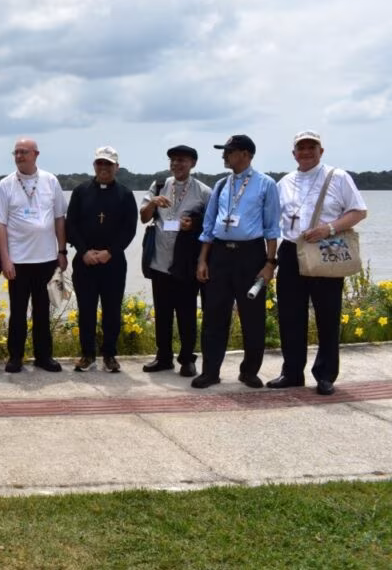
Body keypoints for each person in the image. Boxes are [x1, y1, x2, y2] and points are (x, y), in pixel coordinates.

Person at [269, 130, 367, 395]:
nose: (306, 152)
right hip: (292, 250)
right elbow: (274, 221)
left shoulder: (338, 177)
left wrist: (330, 229)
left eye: (312, 147)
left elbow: (359, 211)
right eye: (301, 148)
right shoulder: (284, 182)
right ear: (294, 153)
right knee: (290, 315)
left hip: (325, 247)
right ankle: (291, 372)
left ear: (321, 151)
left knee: (327, 314)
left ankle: (325, 375)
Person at [193, 135, 281, 389]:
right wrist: (202, 260)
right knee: (213, 315)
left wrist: (269, 263)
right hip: (220, 255)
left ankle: (249, 371)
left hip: (251, 255)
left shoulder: (266, 184)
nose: (224, 156)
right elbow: (208, 226)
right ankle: (210, 371)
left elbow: (272, 228)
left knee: (252, 317)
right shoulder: (221, 185)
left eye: (229, 151)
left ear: (245, 154)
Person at [0, 138, 68, 373]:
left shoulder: (50, 181)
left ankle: (44, 357)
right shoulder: (6, 185)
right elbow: (0, 225)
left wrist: (62, 251)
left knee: (43, 312)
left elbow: (59, 218)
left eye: (24, 152)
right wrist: (5, 259)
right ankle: (15, 357)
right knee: (18, 312)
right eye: (16, 152)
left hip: (46, 260)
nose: (19, 156)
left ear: (36, 154)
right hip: (18, 261)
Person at [139, 145, 212, 377]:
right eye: (172, 160)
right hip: (160, 261)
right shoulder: (159, 185)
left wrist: (194, 225)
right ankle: (163, 357)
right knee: (162, 313)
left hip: (186, 263)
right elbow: (143, 218)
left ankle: (187, 359)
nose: (176, 165)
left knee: (187, 313)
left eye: (182, 160)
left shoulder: (203, 192)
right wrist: (153, 203)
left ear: (193, 164)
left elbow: (212, 227)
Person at [67, 147, 138, 373]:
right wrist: (84, 251)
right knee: (86, 309)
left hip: (113, 262)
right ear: (94, 165)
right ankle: (87, 354)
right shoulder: (80, 192)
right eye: (100, 163)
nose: (104, 168)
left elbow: (129, 229)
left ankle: (110, 355)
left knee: (112, 311)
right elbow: (71, 225)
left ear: (116, 167)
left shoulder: (126, 195)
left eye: (108, 164)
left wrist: (110, 252)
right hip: (85, 261)